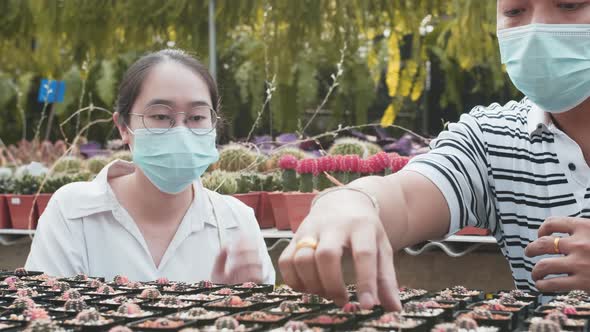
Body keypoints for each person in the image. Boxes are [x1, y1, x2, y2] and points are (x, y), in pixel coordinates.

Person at [279, 0, 590, 311]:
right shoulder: (492, 138)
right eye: (514, 11)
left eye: (570, 4)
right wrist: (351, 201)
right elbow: (407, 196)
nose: (536, 31)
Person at [26, 49, 275, 285]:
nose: (181, 131)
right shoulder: (72, 213)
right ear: (123, 127)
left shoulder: (236, 221)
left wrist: (239, 306)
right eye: (160, 116)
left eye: (197, 117)